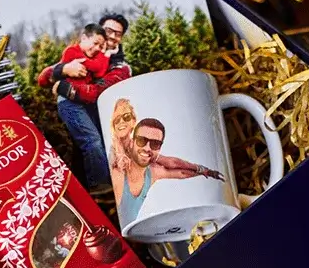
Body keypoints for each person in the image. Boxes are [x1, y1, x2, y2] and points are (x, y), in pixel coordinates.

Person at [40, 14, 133, 197]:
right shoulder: (81, 55)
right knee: (84, 151)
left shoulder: (120, 66)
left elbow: (95, 92)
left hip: (107, 122)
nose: (112, 36)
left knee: (98, 146)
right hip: (82, 116)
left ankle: (103, 191)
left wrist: (65, 87)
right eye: (108, 31)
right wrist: (63, 69)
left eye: (118, 34)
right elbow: (43, 77)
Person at [117, 117, 224, 228]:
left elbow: (178, 170)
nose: (147, 147)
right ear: (133, 141)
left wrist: (203, 171)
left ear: (160, 147)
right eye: (141, 140)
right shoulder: (119, 160)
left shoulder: (154, 172)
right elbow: (171, 163)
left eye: (155, 144)